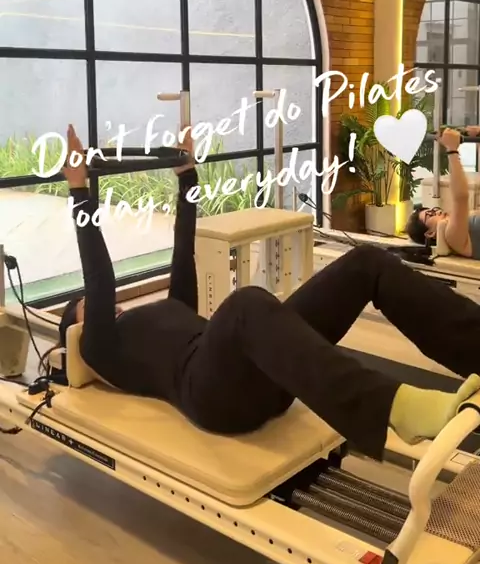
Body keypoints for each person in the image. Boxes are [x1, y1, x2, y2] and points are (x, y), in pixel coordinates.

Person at [56, 124, 480, 463]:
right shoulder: (98, 347)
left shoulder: (166, 308)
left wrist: (188, 178)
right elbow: (99, 278)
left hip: (255, 372)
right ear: (77, 325)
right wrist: (78, 190)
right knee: (246, 304)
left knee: (365, 263)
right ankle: (392, 408)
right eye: (82, 306)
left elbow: (183, 252)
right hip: (212, 396)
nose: (95, 303)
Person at [406, 126, 480, 257]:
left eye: (434, 209)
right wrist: (452, 150)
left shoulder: (467, 220)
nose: (438, 211)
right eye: (431, 215)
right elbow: (461, 197)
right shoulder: (452, 236)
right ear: (430, 233)